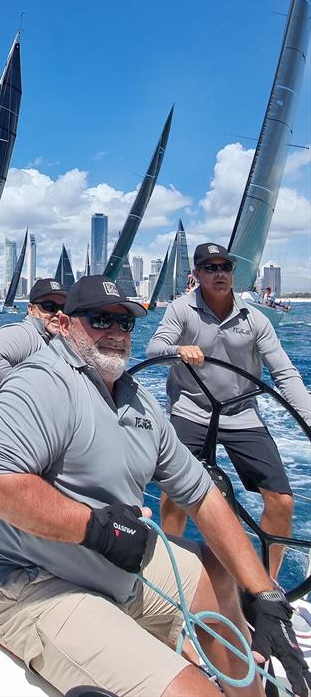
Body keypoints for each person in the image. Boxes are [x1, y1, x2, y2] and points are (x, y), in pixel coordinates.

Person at [0, 275, 310, 697]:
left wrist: (265, 595)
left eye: (125, 324)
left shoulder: (138, 400)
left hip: (117, 569)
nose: (115, 333)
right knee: (194, 692)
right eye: (100, 320)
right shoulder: (41, 381)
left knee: (218, 571)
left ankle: (248, 688)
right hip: (34, 586)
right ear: (65, 324)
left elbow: (202, 494)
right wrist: (99, 529)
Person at [146, 242, 310, 578]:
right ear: (197, 274)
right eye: (210, 267)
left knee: (282, 501)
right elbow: (154, 347)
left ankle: (267, 585)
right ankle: (171, 573)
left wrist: (308, 419)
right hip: (191, 410)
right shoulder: (181, 310)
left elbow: (284, 372)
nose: (219, 273)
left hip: (242, 414)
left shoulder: (256, 319)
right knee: (174, 492)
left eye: (225, 267)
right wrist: (179, 349)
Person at [0, 277, 69, 445]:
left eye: (64, 308)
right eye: (49, 307)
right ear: (31, 309)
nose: (58, 313)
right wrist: (37, 395)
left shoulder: (51, 342)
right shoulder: (26, 333)